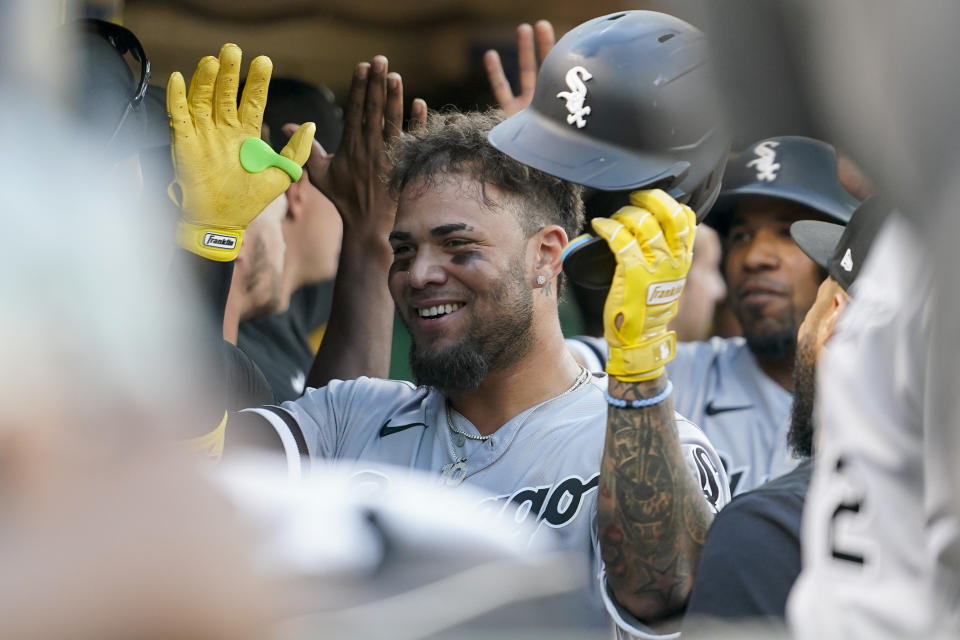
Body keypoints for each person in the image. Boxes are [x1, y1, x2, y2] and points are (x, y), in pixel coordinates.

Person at [680, 196, 888, 635]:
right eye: (740, 236)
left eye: (823, 288)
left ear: (833, 316)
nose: (756, 258)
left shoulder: (766, 529)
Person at [667, 135, 862, 495]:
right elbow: (566, 374)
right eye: (740, 236)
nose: (755, 257)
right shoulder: (680, 375)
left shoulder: (892, 397)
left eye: (789, 233)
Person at [238, 77, 345, 401]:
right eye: (342, 183)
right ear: (294, 193)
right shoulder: (226, 336)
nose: (352, 204)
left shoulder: (294, 300)